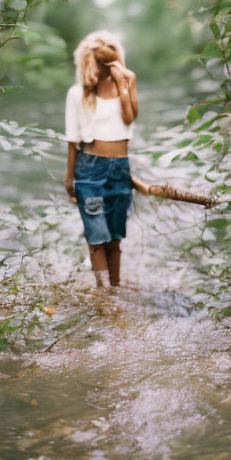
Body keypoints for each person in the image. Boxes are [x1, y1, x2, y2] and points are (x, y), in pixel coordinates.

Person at [63, 30, 138, 290]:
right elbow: (73, 140)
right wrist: (69, 177)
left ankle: (114, 291)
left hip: (119, 168)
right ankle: (104, 294)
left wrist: (123, 85)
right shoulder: (77, 94)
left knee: (115, 238)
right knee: (97, 237)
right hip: (89, 170)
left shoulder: (126, 84)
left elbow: (129, 119)